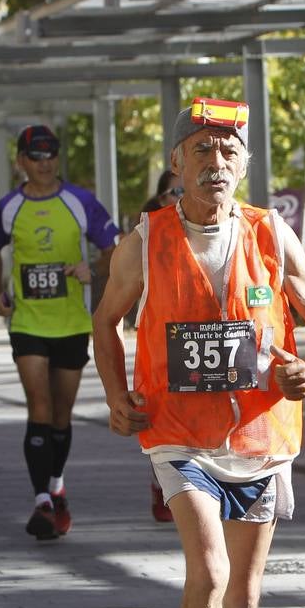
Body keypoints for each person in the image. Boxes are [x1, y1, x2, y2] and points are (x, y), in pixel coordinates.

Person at [92, 97, 305, 608]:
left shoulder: (271, 234)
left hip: (261, 435)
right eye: (201, 149)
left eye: (229, 151)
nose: (216, 162)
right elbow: (106, 320)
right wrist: (115, 396)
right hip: (178, 436)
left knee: (246, 596)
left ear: (245, 164)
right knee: (209, 572)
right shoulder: (144, 241)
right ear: (176, 163)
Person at [0, 124, 119, 541]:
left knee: (61, 414)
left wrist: (91, 269)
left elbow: (115, 249)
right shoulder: (10, 207)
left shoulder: (80, 201)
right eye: (36, 156)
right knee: (38, 406)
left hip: (72, 322)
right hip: (28, 321)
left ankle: (56, 484)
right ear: (21, 161)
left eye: (51, 155)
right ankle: (41, 499)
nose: (44, 163)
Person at [140, 168, 183, 524]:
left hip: (209, 347)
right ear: (160, 199)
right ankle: (163, 480)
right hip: (163, 344)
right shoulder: (146, 237)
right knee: (166, 416)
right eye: (175, 193)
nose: (183, 199)